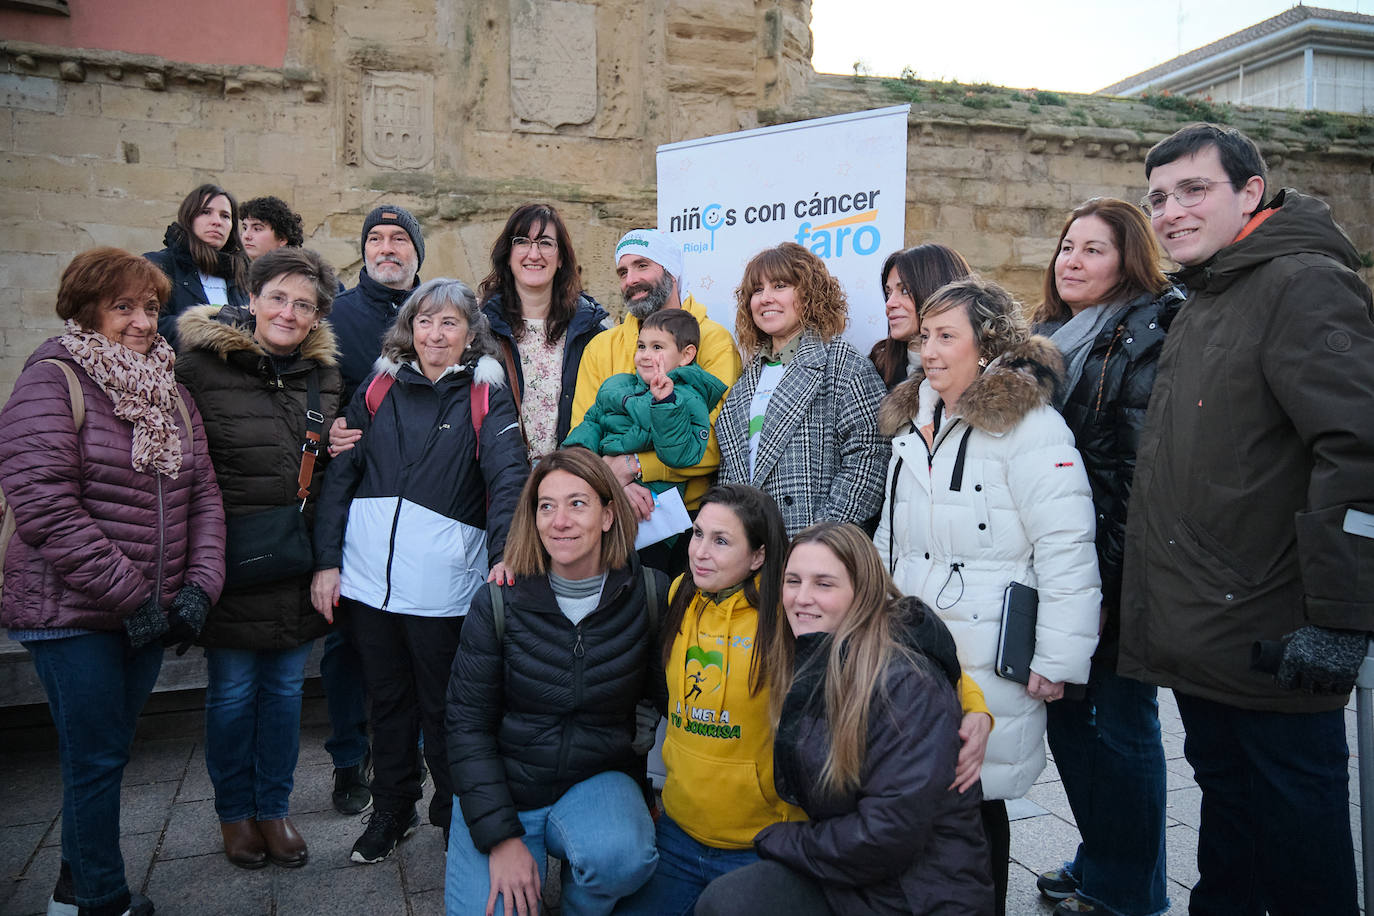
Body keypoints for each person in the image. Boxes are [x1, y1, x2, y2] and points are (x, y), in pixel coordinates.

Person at [1121, 123, 1374, 915]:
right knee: (1232, 828)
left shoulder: (1301, 283)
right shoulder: (1209, 296)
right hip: (1211, 635)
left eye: (1194, 190)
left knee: (1301, 856)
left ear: (1250, 193)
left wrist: (1341, 619)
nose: (1170, 211)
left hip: (1277, 638)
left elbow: (1360, 450)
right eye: (1158, 197)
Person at [615, 485, 992, 916]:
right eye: (698, 534)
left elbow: (910, 643)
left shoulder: (786, 612)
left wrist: (975, 706)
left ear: (758, 557)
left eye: (721, 541)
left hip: (762, 840)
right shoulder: (680, 593)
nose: (700, 551)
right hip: (680, 834)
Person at [0, 247, 225, 916]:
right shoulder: (53, 378)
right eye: (122, 306)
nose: (140, 321)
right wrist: (135, 598)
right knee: (95, 759)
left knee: (103, 756)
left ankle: (74, 889)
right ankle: (99, 898)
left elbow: (205, 496)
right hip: (71, 609)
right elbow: (43, 504)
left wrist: (198, 590)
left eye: (151, 308)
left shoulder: (172, 392)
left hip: (149, 610)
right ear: (87, 309)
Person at [874, 276, 1101, 916]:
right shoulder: (913, 421)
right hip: (915, 647)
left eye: (948, 336)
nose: (931, 351)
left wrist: (1057, 660)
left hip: (991, 648)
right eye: (926, 336)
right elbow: (891, 539)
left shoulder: (1032, 429)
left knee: (979, 799)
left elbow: (1066, 546)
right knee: (918, 791)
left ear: (989, 345)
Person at [312, 278, 529, 864]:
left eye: (450, 323)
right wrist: (328, 562)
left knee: (443, 707)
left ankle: (458, 812)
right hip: (367, 583)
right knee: (385, 702)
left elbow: (509, 480)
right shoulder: (378, 386)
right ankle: (394, 808)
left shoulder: (487, 396)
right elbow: (341, 475)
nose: (436, 334)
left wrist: (505, 555)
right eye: (426, 321)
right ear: (410, 328)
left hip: (442, 587)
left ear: (469, 335)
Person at [1027, 199, 1182, 916]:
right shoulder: (1052, 335)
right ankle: (1103, 862)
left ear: (1129, 259)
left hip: (1116, 568)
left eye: (1094, 249)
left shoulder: (1147, 333)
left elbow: (1131, 476)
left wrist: (1109, 589)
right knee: (1072, 727)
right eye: (1067, 246)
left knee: (1118, 731)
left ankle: (1127, 893)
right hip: (1062, 562)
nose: (1073, 260)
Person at [174, 248, 344, 871]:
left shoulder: (322, 376)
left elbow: (326, 466)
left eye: (304, 304)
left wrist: (336, 443)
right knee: (231, 695)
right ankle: (234, 815)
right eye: (279, 298)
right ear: (253, 298)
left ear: (316, 314)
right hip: (229, 558)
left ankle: (273, 809)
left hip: (293, 560)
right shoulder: (197, 365)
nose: (289, 312)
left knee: (283, 696)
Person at [445, 447, 665, 916]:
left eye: (577, 503)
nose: (559, 520)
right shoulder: (499, 602)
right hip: (506, 784)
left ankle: (577, 903)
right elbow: (466, 728)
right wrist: (502, 840)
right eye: (547, 506)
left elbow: (664, 696)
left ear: (608, 515)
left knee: (623, 858)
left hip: (595, 779)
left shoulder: (647, 595)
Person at [318, 202, 426, 817]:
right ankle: (346, 759)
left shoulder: (438, 311)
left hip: (423, 499)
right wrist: (331, 424)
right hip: (357, 495)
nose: (387, 247)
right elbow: (317, 391)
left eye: (399, 239)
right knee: (347, 645)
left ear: (416, 252)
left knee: (412, 631)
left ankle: (404, 754)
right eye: (376, 238)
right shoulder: (336, 315)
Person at [715, 242, 890, 537]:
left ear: (809, 294)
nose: (765, 298)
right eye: (757, 290)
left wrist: (821, 535)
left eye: (780, 285)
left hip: (813, 548)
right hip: (748, 545)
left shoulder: (842, 364)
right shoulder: (747, 377)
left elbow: (870, 457)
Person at [573, 228, 742, 528]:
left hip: (693, 517)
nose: (630, 279)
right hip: (611, 508)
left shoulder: (714, 340)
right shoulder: (600, 347)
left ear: (671, 273)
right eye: (623, 271)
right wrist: (615, 484)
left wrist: (635, 466)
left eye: (642, 266)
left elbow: (718, 441)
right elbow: (584, 432)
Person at [479, 203, 609, 460]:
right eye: (522, 242)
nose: (534, 254)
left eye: (546, 243)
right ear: (508, 254)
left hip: (570, 480)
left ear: (561, 259)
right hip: (499, 482)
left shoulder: (591, 333)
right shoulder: (481, 329)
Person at [564, 308, 728, 508]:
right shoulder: (618, 384)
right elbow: (592, 422)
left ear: (686, 355)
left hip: (654, 503)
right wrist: (578, 457)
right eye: (641, 347)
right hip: (604, 486)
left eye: (657, 347)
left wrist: (665, 404)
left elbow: (680, 454)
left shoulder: (687, 397)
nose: (645, 355)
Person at [144, 183, 250, 349]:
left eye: (225, 216)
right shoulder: (158, 265)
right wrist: (215, 329)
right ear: (189, 218)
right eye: (206, 212)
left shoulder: (245, 275)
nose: (217, 222)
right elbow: (147, 324)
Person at [868, 243, 972, 390]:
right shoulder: (875, 368)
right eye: (888, 292)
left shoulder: (986, 375)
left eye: (904, 291)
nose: (890, 303)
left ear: (937, 292)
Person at [239, 195, 305, 260]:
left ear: (282, 239)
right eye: (245, 228)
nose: (246, 236)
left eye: (257, 229)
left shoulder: (296, 270)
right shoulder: (235, 268)